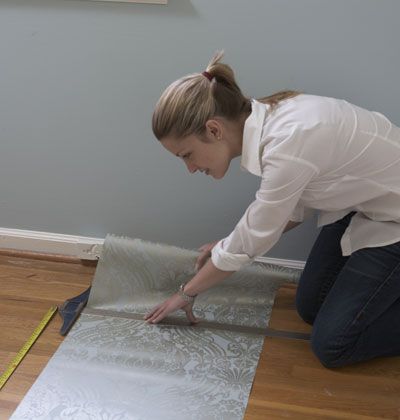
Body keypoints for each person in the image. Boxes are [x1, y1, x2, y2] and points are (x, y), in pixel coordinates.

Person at [145, 51, 400, 368]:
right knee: (310, 307)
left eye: (187, 155)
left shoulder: (287, 142)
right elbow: (282, 211)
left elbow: (253, 237)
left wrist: (186, 293)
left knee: (332, 345)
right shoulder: (274, 122)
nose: (191, 168)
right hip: (359, 204)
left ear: (213, 130)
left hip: (394, 220)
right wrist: (227, 244)